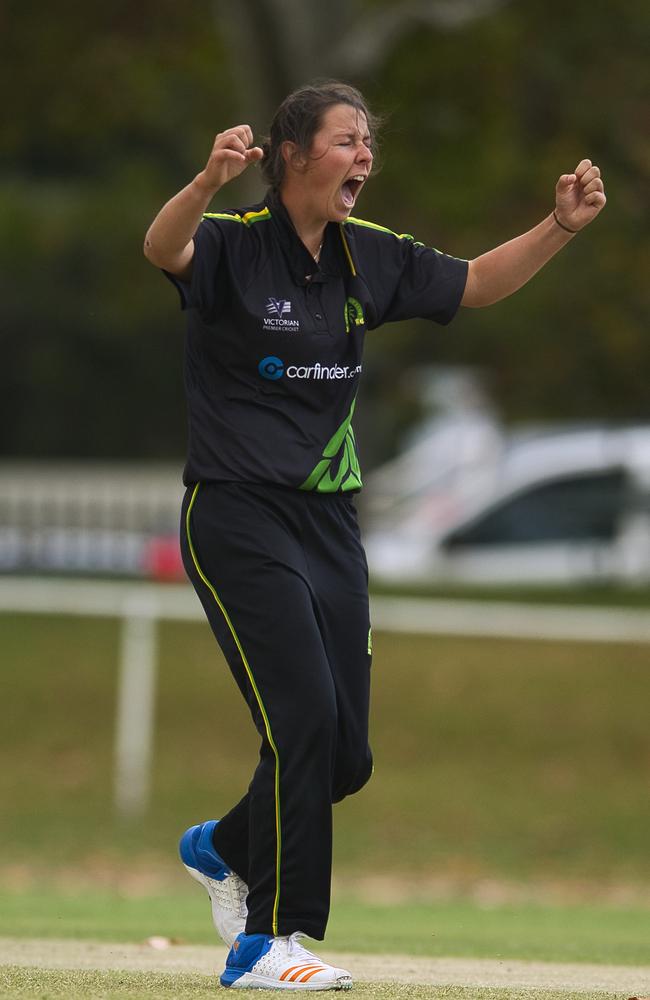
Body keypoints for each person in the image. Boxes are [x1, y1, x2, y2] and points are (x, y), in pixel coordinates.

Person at [143, 80, 606, 991]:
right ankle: (267, 945)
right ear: (290, 155)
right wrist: (205, 181)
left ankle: (220, 847)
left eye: (368, 143)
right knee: (303, 722)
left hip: (328, 522)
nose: (363, 157)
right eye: (346, 140)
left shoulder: (370, 257)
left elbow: (474, 284)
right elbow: (163, 247)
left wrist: (560, 228)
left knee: (343, 758)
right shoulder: (233, 245)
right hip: (237, 515)